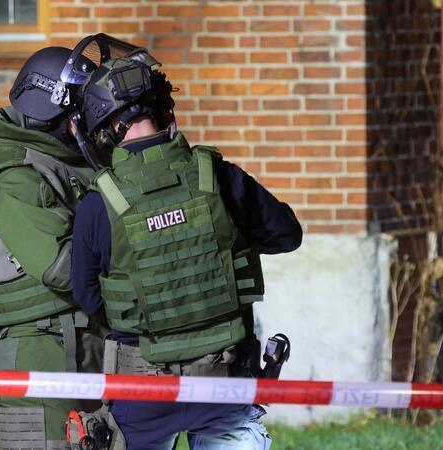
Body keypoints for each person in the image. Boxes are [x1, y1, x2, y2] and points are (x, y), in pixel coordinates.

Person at [69, 54, 303, 449]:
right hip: (225, 385)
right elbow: (287, 234)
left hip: (142, 394)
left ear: (106, 130)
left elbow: (88, 296)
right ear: (166, 112)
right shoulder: (220, 177)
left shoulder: (98, 204)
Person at [0, 46, 105, 450]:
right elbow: (62, 268)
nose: (87, 124)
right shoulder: (14, 180)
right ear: (50, 109)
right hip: (40, 363)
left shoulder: (66, 167)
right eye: (79, 113)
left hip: (77, 352)